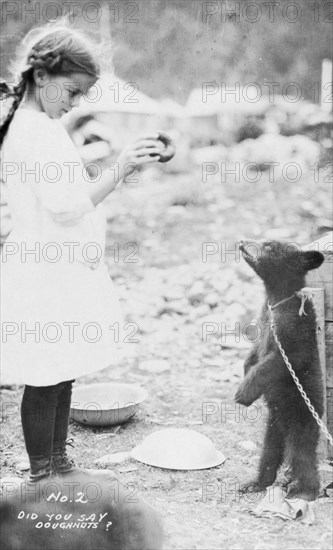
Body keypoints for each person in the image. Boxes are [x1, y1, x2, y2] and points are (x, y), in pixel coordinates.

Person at [0, 23, 163, 483]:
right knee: (46, 370)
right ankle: (42, 473)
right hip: (45, 267)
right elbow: (68, 204)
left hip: (53, 263)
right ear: (44, 77)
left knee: (61, 364)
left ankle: (59, 464)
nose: (73, 104)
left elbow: (61, 192)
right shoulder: (36, 131)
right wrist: (122, 166)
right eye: (72, 92)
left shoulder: (33, 124)